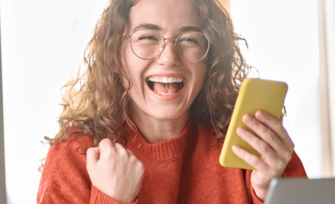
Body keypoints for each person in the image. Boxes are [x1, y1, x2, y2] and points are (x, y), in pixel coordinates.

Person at [37, 0, 307, 203]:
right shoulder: (75, 156)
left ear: (209, 58)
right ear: (115, 56)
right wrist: (110, 198)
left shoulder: (252, 146)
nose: (169, 57)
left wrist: (272, 192)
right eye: (147, 37)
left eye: (189, 39)